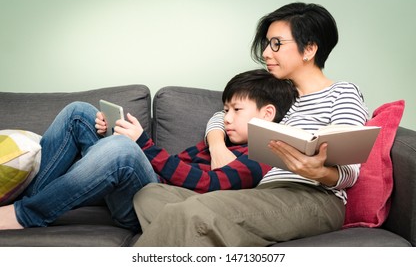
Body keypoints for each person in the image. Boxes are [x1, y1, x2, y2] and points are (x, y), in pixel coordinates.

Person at [132, 2, 369, 246]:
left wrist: (317, 172)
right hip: (262, 193)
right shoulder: (283, 96)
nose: (266, 52)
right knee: (149, 195)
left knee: (189, 211)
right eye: (267, 43)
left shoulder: (342, 93)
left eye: (276, 43)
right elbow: (220, 115)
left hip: (314, 196)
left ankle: (203, 227)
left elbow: (349, 170)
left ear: (309, 49)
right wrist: (217, 146)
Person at [0, 69, 297, 231]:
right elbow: (175, 163)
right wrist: (106, 135)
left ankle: (28, 213)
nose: (226, 117)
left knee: (121, 150)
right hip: (139, 184)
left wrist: (140, 145)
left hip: (149, 207)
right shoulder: (220, 140)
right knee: (79, 113)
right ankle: (29, 196)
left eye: (236, 110)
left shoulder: (263, 155)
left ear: (267, 113)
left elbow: (208, 184)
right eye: (225, 109)